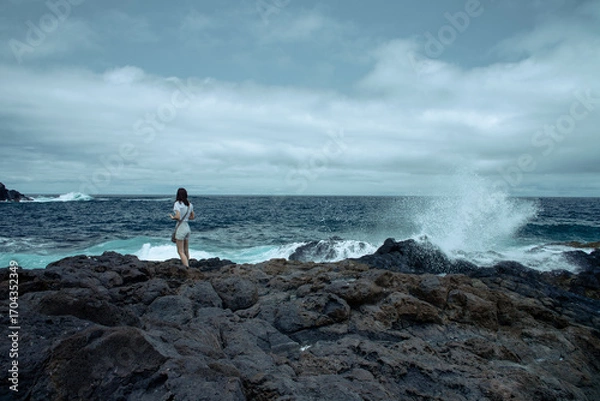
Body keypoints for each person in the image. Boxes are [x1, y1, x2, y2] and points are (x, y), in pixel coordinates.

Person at [169, 187, 195, 267]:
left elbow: (178, 216)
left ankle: (187, 268)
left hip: (181, 227)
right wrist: (186, 218)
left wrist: (173, 217)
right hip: (187, 227)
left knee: (180, 251)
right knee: (186, 250)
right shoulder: (189, 204)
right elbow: (192, 216)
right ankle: (188, 265)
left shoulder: (177, 204)